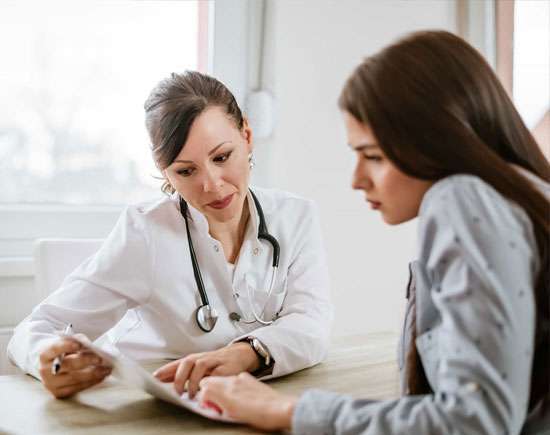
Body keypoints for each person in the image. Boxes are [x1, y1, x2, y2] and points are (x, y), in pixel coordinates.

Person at [197, 30, 550, 434]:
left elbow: (473, 421)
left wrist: (290, 412)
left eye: (373, 156)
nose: (357, 179)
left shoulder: (460, 198)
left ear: (441, 141)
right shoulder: (528, 195)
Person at [7, 71, 333, 400]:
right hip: (149, 406)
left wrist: (247, 353)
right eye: (185, 170)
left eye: (222, 157)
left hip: (249, 403)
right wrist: (46, 359)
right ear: (164, 170)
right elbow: (35, 329)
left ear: (246, 135)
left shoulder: (295, 216)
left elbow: (312, 323)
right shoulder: (145, 232)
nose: (212, 184)